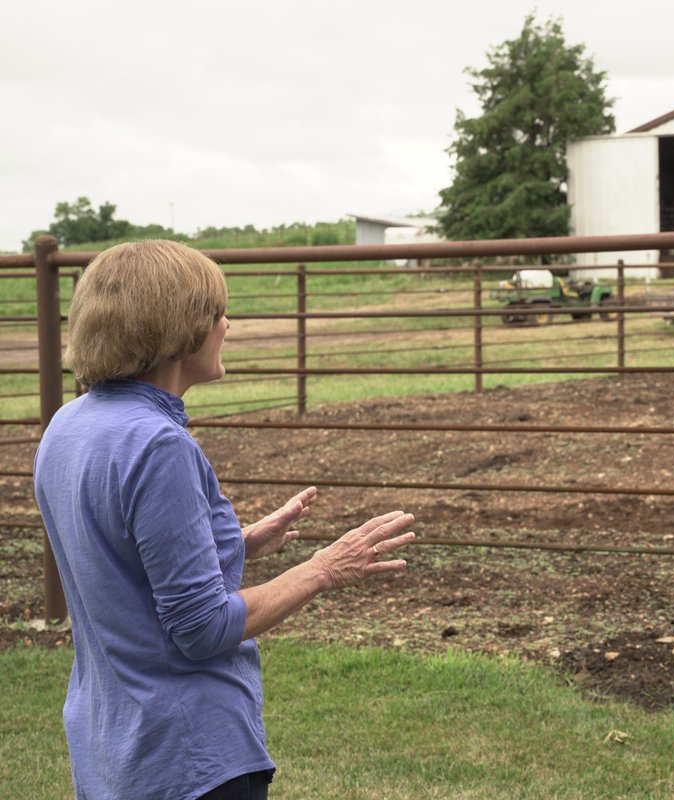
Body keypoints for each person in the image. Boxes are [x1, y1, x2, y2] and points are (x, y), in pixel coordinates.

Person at [33, 239, 418, 800]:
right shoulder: (159, 445)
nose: (227, 326)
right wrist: (324, 569)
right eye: (217, 313)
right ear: (179, 330)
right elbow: (201, 628)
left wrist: (241, 542)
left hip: (109, 746)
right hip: (186, 754)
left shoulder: (68, 426)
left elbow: (117, 557)